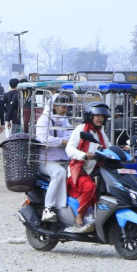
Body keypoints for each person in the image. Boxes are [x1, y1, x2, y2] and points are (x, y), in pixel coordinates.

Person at [64, 102, 112, 233]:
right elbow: (69, 148)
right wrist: (83, 155)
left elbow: (108, 147)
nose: (100, 118)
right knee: (90, 187)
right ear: (90, 115)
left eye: (102, 116)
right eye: (97, 115)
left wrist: (123, 152)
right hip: (79, 171)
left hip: (96, 170)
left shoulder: (100, 131)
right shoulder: (81, 129)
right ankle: (79, 217)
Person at [35, 94, 72, 222]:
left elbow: (71, 135)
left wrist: (66, 141)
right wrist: (62, 141)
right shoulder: (43, 120)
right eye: (63, 107)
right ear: (54, 106)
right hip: (46, 160)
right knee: (59, 173)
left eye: (66, 107)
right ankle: (48, 208)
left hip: (63, 159)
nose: (65, 110)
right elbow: (44, 139)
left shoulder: (64, 119)